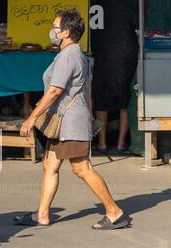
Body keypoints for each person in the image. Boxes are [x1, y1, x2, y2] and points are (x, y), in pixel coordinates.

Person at [16, 9, 129, 230]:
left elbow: (55, 91)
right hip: (63, 121)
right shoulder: (74, 54)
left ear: (66, 32)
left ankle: (114, 211)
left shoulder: (69, 55)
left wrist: (31, 118)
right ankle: (42, 214)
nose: (52, 31)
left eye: (55, 27)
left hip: (69, 122)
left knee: (82, 168)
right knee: (49, 165)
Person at [91, 0, 139, 154]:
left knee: (101, 100)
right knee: (125, 99)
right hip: (126, 52)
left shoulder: (94, 2)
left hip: (102, 52)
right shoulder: (132, 3)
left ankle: (102, 144)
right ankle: (121, 144)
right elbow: (139, 25)